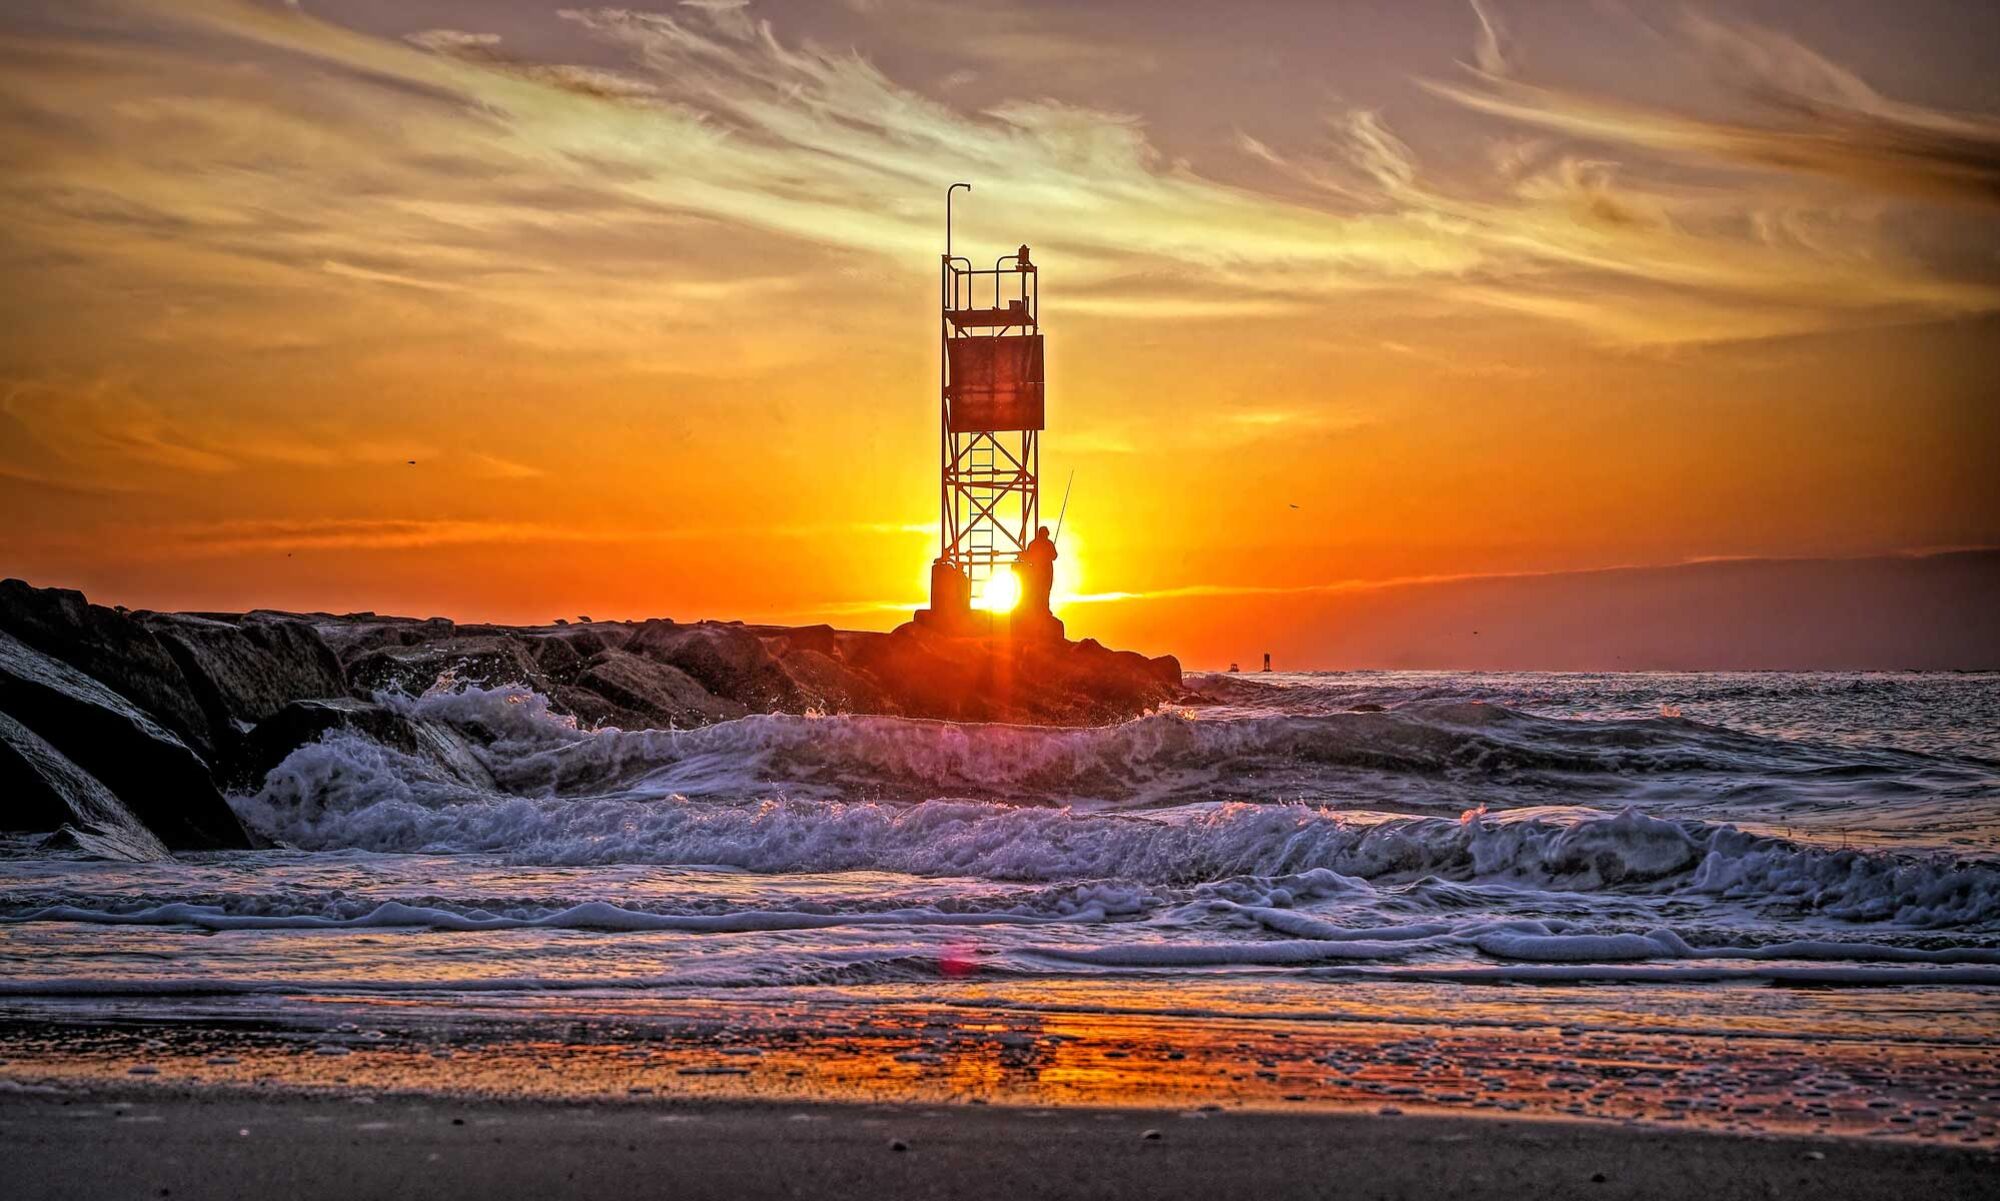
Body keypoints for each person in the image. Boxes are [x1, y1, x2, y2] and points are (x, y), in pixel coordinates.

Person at [1018, 525, 1057, 616]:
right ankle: (1042, 608)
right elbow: (1054, 556)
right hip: (1043, 571)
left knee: (1041, 590)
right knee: (1043, 590)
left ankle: (1042, 608)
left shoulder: (1034, 544)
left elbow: (1028, 557)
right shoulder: (1047, 544)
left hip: (1040, 571)